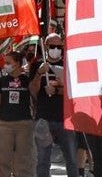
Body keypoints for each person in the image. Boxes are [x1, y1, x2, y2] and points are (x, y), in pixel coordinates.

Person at [0, 51, 38, 177]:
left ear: (17, 64)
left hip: (23, 124)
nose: (5, 65)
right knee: (4, 159)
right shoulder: (2, 81)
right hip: (4, 124)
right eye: (5, 63)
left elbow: (35, 94)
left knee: (24, 158)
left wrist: (37, 74)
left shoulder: (26, 80)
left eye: (8, 63)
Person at [32, 33, 76, 177]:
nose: (56, 49)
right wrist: (39, 74)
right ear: (45, 46)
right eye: (52, 46)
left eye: (59, 47)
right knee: (42, 160)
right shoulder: (37, 65)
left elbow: (74, 92)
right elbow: (32, 91)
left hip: (65, 119)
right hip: (43, 118)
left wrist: (57, 89)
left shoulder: (67, 65)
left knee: (72, 159)